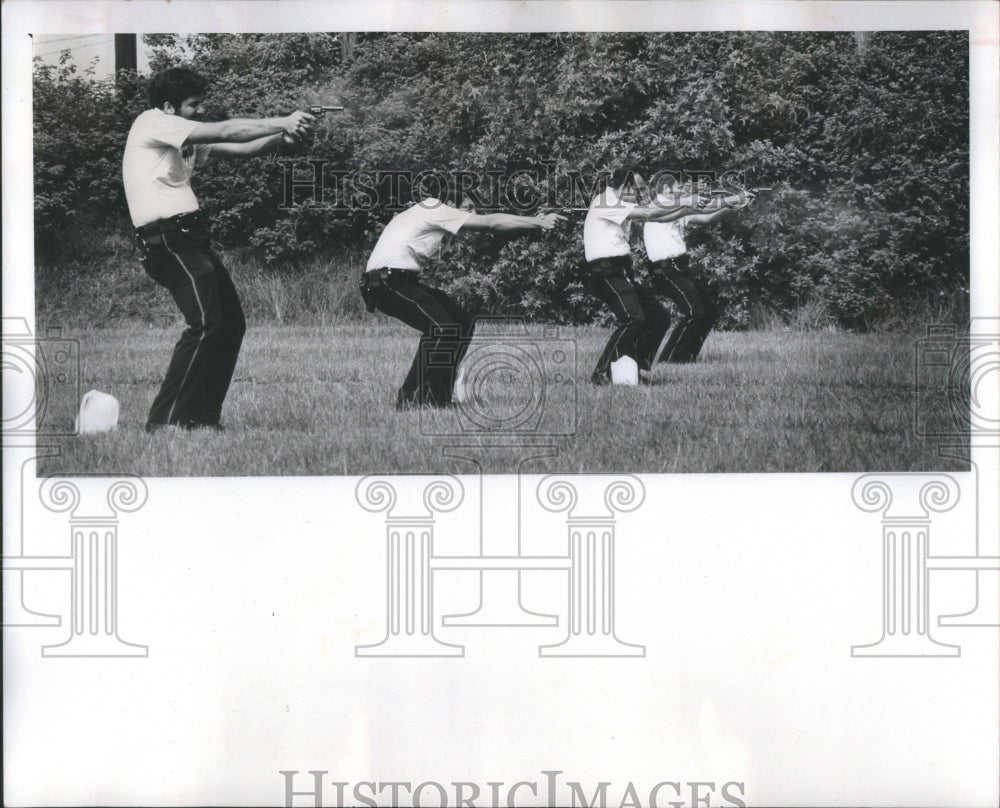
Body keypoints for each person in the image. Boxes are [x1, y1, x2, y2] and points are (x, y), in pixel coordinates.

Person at [123, 66, 317, 432]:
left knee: (230, 325)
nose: (200, 111)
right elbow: (227, 128)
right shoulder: (151, 122)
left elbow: (241, 148)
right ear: (168, 106)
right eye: (193, 105)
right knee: (206, 324)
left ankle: (199, 418)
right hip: (166, 239)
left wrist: (283, 138)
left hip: (189, 240)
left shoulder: (181, 138)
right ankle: (164, 422)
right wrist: (284, 120)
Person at [361, 181, 566, 409]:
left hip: (396, 281)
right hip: (386, 282)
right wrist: (538, 222)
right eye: (468, 207)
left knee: (461, 322)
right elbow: (491, 223)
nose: (473, 213)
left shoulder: (428, 212)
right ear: (450, 203)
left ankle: (436, 398)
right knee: (442, 328)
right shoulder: (437, 209)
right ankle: (409, 397)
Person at [583, 166, 703, 385]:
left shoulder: (622, 204)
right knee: (633, 319)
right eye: (637, 189)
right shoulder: (606, 201)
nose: (640, 194)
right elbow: (649, 213)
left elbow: (657, 217)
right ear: (625, 186)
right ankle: (601, 373)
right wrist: (685, 202)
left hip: (620, 272)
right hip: (604, 273)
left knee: (659, 318)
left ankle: (633, 370)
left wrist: (686, 210)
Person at [644, 175, 754, 363]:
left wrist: (732, 206)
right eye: (680, 187)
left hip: (678, 269)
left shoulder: (675, 207)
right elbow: (708, 206)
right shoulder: (660, 206)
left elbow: (705, 219)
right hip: (666, 270)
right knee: (694, 312)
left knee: (708, 312)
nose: (684, 191)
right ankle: (670, 360)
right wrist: (737, 197)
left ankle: (685, 356)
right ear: (666, 189)